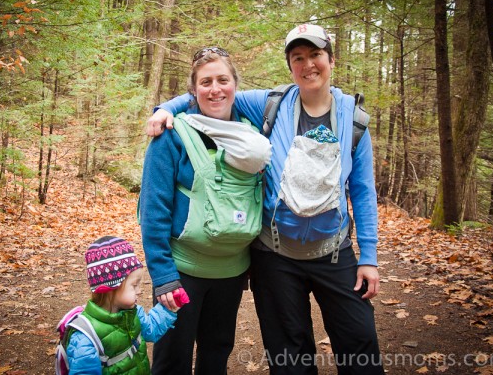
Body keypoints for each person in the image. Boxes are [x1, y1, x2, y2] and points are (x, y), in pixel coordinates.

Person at [147, 24, 384, 374]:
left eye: (316, 55)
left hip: (333, 251)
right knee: (289, 355)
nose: (308, 65)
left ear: (331, 59)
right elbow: (207, 92)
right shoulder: (271, 104)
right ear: (290, 67)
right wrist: (164, 109)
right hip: (275, 258)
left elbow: (363, 191)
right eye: (298, 58)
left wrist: (370, 256)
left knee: (360, 343)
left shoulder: (353, 119)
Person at [139, 47, 271, 374]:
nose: (215, 89)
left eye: (223, 80)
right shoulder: (172, 135)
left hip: (231, 273)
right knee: (172, 361)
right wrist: (164, 278)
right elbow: (153, 211)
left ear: (235, 86)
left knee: (216, 356)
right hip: (182, 274)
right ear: (194, 91)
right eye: (206, 82)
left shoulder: (252, 136)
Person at [65, 236, 178, 374]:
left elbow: (151, 330)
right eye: (134, 285)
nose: (139, 291)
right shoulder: (85, 340)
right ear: (110, 288)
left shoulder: (133, 312)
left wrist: (167, 309)